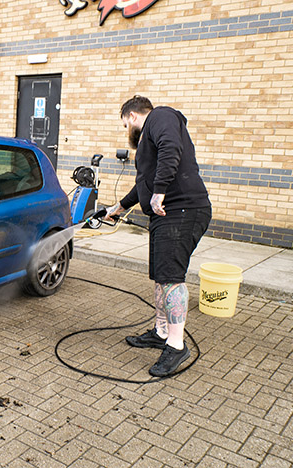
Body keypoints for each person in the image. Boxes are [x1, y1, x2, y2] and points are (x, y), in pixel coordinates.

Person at [105, 95, 212, 377]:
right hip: (166, 213)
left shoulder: (160, 116)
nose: (126, 129)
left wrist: (160, 191)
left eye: (124, 124)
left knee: (171, 279)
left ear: (131, 116)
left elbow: (171, 148)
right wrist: (118, 208)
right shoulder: (149, 139)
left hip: (181, 210)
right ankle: (161, 331)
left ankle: (176, 347)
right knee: (161, 277)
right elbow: (143, 183)